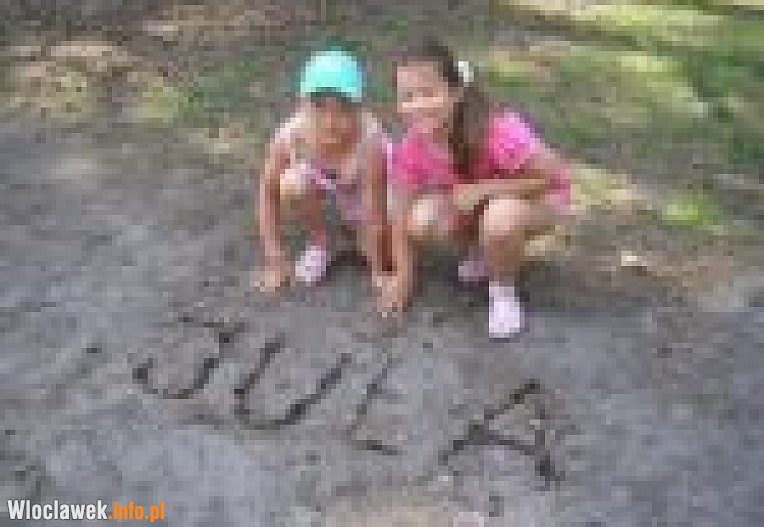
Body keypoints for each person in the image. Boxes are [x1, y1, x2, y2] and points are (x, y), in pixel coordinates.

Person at [380, 38, 572, 338]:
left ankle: (503, 293)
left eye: (429, 93)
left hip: (541, 198)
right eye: (407, 97)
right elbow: (400, 211)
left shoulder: (496, 130)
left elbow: (554, 177)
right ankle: (485, 253)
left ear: (456, 92)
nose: (418, 105)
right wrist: (402, 275)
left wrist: (485, 190)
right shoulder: (412, 146)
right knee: (421, 219)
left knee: (499, 219)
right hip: (479, 201)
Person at [256, 48, 391, 294]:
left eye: (343, 108)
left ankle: (353, 229)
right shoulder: (291, 135)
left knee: (376, 248)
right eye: (318, 107)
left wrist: (378, 271)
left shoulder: (370, 141)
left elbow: (374, 206)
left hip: (367, 188)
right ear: (302, 105)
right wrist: (274, 258)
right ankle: (320, 243)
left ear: (359, 109)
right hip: (321, 180)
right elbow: (267, 193)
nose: (330, 121)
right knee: (291, 184)